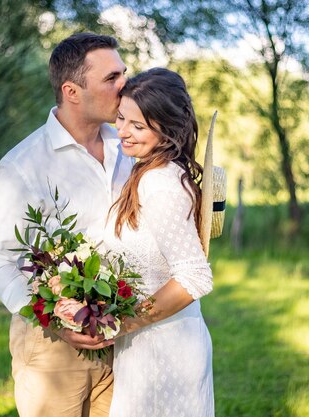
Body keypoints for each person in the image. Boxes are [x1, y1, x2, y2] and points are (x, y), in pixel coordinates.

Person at [0, 33, 133, 417]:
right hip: (51, 348)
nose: (125, 85)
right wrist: (52, 319)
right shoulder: (21, 167)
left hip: (125, 338)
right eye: (112, 78)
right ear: (72, 91)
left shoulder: (128, 147)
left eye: (123, 73)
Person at [104, 68, 214, 417]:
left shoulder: (161, 182)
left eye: (137, 125)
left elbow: (195, 277)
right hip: (146, 343)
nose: (123, 131)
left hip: (164, 348)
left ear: (166, 127)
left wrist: (123, 323)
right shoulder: (146, 171)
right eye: (121, 118)